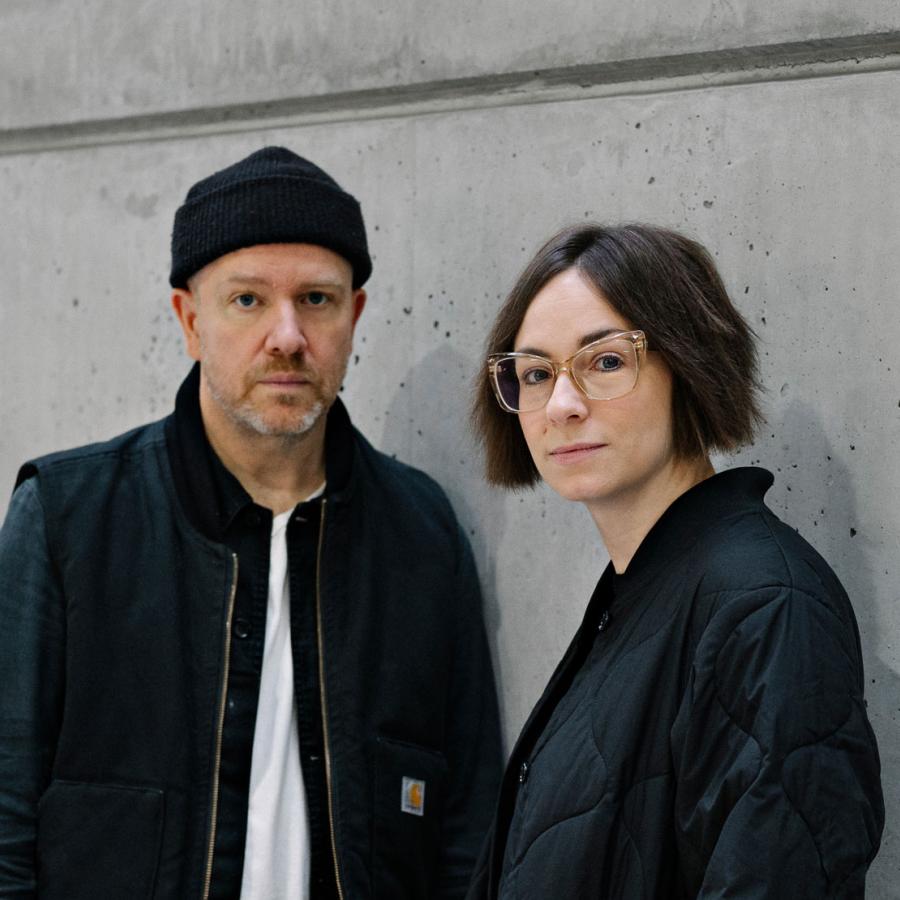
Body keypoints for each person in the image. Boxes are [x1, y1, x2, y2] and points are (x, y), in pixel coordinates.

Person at [0, 146, 502, 900]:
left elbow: (470, 841)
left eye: (318, 300)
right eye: (248, 300)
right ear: (189, 318)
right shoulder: (69, 522)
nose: (288, 336)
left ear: (355, 315)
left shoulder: (420, 537)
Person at [467, 223, 883, 899]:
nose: (563, 405)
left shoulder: (765, 606)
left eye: (605, 362)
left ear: (689, 365)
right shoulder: (640, 594)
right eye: (537, 373)